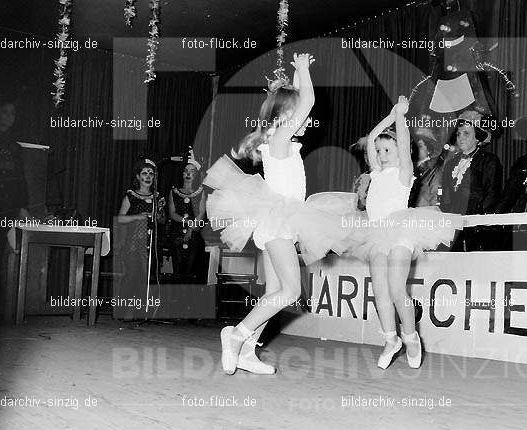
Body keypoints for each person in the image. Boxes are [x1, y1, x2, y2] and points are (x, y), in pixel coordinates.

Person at [205, 53, 353, 375]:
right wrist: (301, 70)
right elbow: (308, 102)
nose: (303, 120)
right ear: (286, 115)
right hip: (278, 221)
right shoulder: (282, 136)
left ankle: (246, 352)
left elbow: (300, 101)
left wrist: (300, 75)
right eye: (295, 113)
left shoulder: (278, 137)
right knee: (291, 291)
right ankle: (236, 334)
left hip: (277, 220)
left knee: (274, 292)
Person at [345, 96, 461, 369]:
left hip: (400, 232)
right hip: (376, 234)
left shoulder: (404, 172)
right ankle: (390, 339)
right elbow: (374, 135)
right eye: (379, 151)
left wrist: (401, 116)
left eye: (388, 150)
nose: (381, 155)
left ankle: (410, 337)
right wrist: (391, 113)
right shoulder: (376, 171)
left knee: (397, 289)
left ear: (400, 152)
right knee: (380, 292)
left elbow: (403, 139)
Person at [0, 95, 31, 322]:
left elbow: (20, 178)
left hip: (6, 207)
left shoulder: (14, 146)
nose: (10, 117)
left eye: (13, 113)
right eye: (5, 112)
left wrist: (21, 206)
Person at [116, 158, 165, 306]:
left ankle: (140, 310)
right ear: (138, 177)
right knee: (131, 275)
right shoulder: (131, 196)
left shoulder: (158, 197)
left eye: (151, 173)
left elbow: (163, 221)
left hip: (150, 243)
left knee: (145, 276)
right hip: (132, 243)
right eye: (144, 173)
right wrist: (138, 217)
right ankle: (122, 309)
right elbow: (120, 219)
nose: (148, 176)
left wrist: (159, 216)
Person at [440, 110, 502, 215]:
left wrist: (477, 219)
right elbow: (445, 195)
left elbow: (492, 194)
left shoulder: (489, 161)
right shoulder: (451, 163)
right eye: (458, 134)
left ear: (477, 138)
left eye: (466, 133)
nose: (461, 138)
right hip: (452, 221)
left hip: (475, 222)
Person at [167, 152, 206, 283]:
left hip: (194, 234)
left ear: (196, 175)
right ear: (182, 174)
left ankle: (188, 300)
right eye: (186, 171)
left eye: (192, 171)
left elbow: (201, 214)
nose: (188, 173)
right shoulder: (174, 191)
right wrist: (185, 221)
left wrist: (190, 230)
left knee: (191, 270)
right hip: (176, 232)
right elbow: (172, 213)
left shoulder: (201, 192)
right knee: (177, 269)